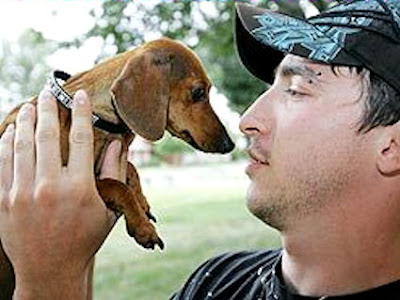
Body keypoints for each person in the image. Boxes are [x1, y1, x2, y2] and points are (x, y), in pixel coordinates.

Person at [1, 0, 400, 299]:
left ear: (393, 146)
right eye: (270, 86)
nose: (246, 118)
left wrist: (50, 283)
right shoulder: (213, 282)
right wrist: (68, 266)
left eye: (296, 89)